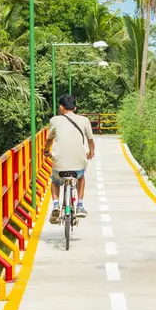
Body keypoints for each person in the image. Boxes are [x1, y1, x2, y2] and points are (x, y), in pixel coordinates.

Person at [44, 94, 95, 223]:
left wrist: (46, 151)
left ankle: (56, 205)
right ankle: (80, 205)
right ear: (75, 108)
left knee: (55, 181)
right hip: (78, 165)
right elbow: (90, 141)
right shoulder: (84, 120)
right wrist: (91, 153)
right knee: (81, 177)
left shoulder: (54, 120)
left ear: (61, 108)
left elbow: (49, 140)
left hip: (59, 166)